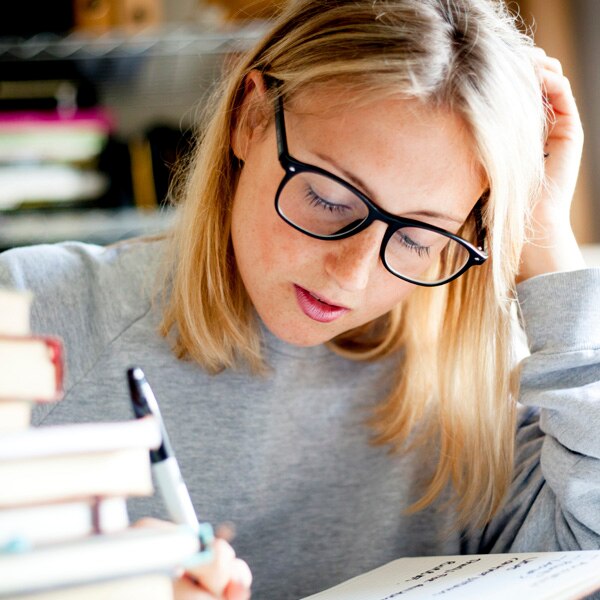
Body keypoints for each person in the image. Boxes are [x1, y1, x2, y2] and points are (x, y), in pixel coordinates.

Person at [1, 0, 598, 598]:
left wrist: (545, 240)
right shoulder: (30, 319)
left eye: (418, 237)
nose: (352, 276)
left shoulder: (479, 388)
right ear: (250, 116)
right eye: (330, 199)